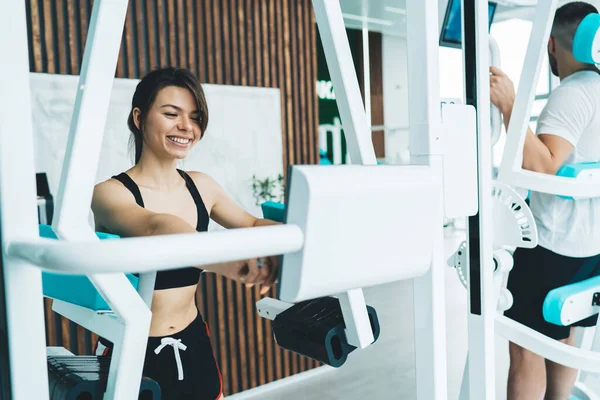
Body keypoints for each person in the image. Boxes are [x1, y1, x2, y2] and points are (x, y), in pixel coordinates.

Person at [91, 67, 280, 400]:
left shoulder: (202, 186)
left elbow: (251, 225)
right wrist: (227, 262)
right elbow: (158, 227)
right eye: (170, 114)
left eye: (195, 117)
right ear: (139, 118)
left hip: (193, 342)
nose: (186, 127)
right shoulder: (109, 193)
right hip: (132, 352)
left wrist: (292, 240)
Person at [490, 2, 600, 399]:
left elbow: (544, 168)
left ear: (551, 44)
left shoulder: (572, 94)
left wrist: (510, 106)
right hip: (589, 247)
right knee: (562, 331)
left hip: (551, 246)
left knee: (524, 350)